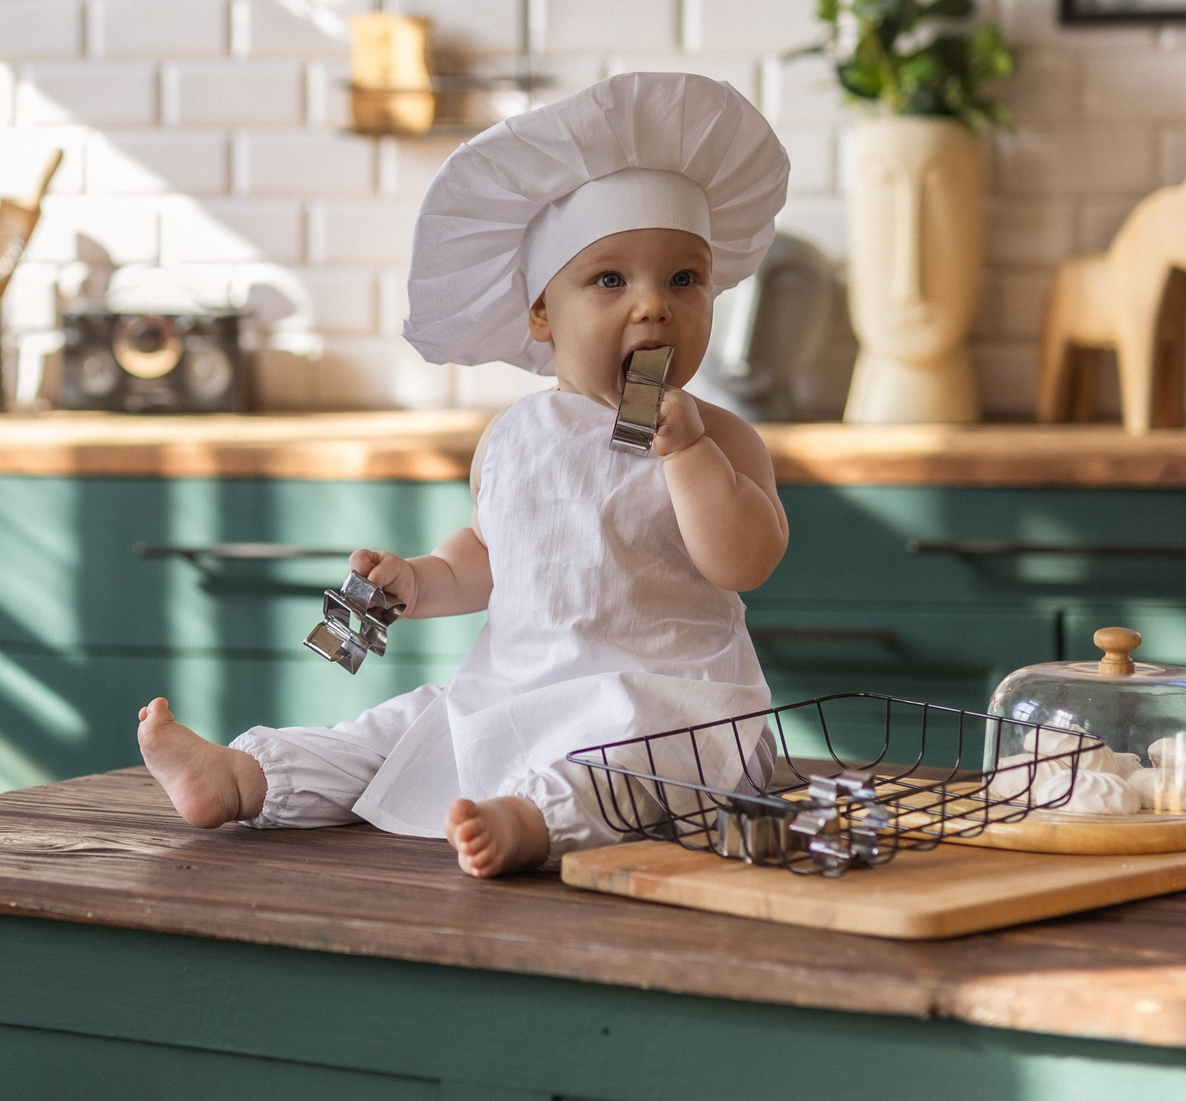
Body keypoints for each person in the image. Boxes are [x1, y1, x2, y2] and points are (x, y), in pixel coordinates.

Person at [138, 71, 793, 876]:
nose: (653, 306)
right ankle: (248, 777)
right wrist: (417, 578)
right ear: (543, 315)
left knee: (635, 762)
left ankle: (531, 819)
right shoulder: (514, 437)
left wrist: (689, 455)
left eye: (684, 279)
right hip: (516, 690)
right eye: (611, 279)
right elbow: (490, 555)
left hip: (670, 701)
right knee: (410, 729)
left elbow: (745, 560)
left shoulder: (720, 436)